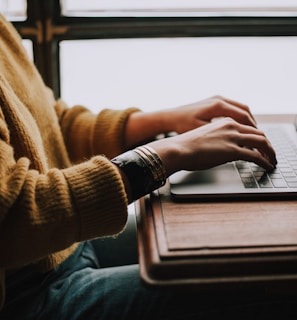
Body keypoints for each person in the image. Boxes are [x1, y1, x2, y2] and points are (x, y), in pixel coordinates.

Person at [0, 13, 296, 320]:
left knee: (242, 246)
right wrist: (163, 154)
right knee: (273, 285)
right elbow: (14, 217)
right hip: (24, 296)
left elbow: (48, 122)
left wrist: (162, 121)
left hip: (62, 248)